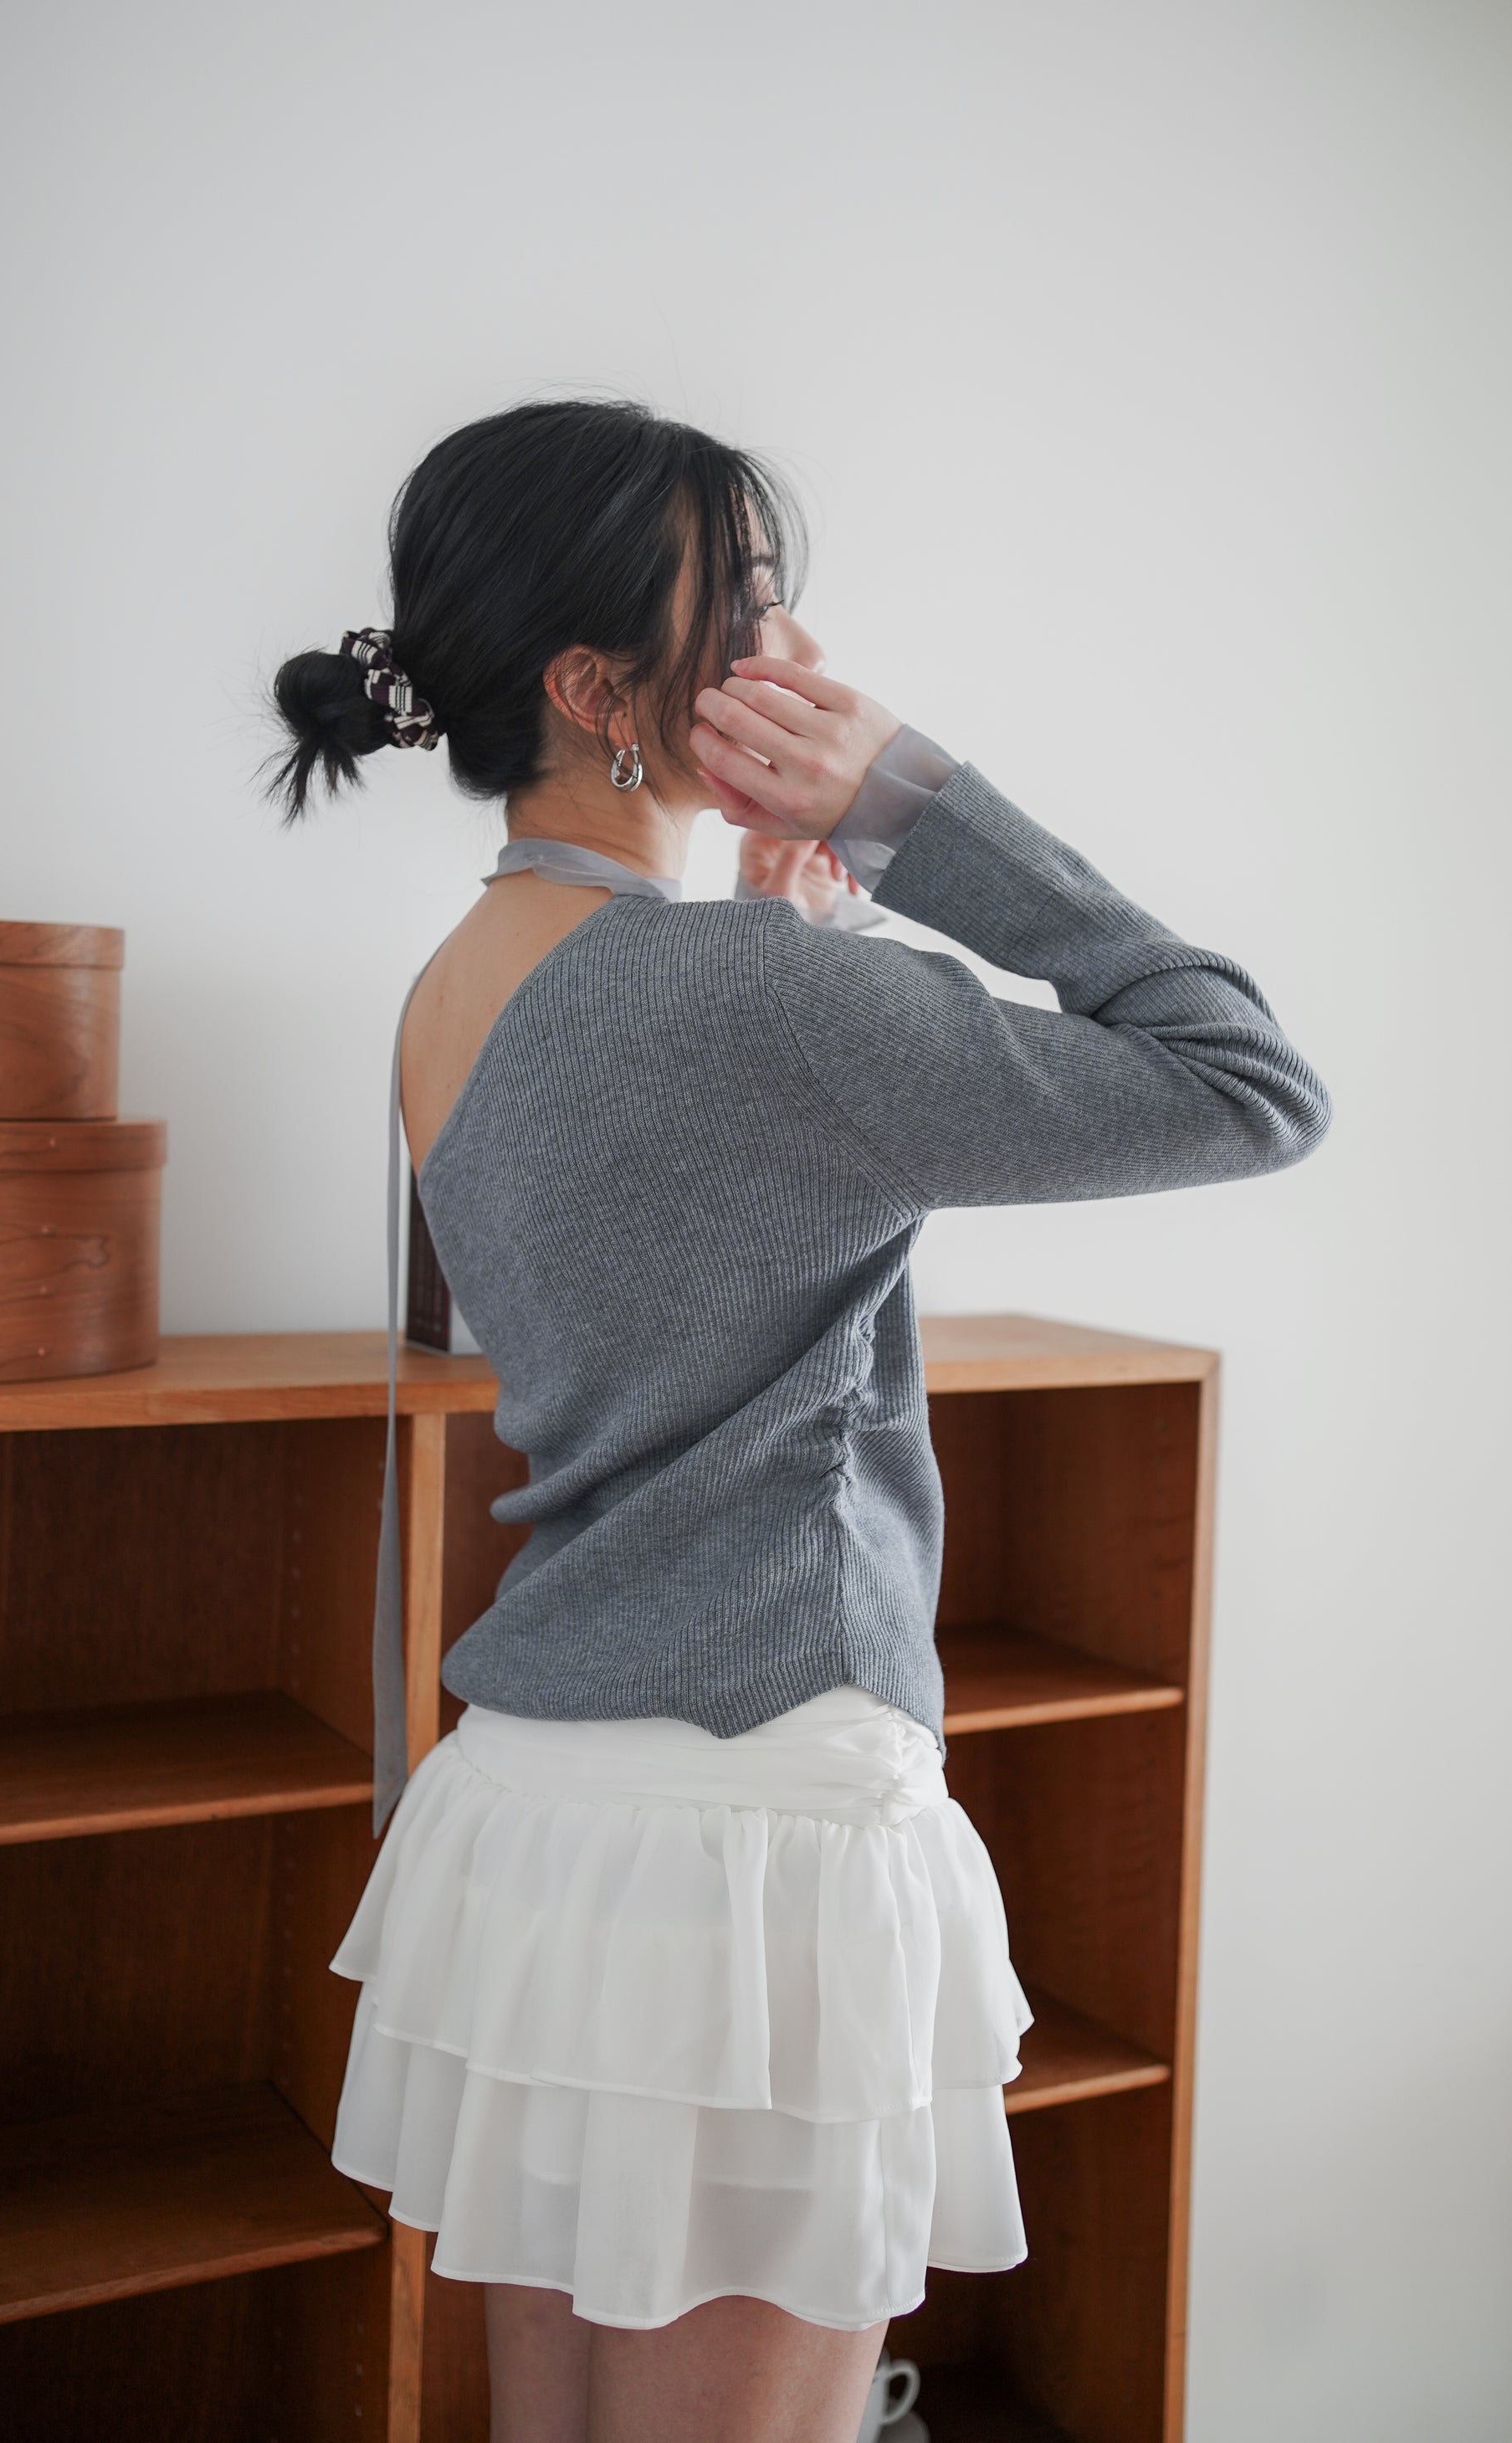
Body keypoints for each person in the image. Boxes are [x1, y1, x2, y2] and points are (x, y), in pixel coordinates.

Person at [267, 398, 1330, 2443]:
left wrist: (798, 941)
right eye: (742, 604)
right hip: (760, 1827)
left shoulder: (449, 986)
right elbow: (1246, 1078)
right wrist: (912, 802)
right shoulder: (748, 996)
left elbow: (681, 1250)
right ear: (600, 691)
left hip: (540, 1820)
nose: (791, 649)